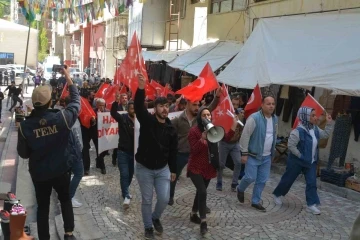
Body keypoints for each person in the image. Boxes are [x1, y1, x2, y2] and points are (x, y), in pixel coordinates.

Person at [17, 66, 79, 240]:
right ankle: (69, 233)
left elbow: (23, 154)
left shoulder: (25, 126)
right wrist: (68, 77)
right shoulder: (62, 118)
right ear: (49, 102)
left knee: (42, 207)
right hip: (61, 169)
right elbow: (76, 102)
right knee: (65, 199)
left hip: (40, 173)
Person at [134, 74, 178, 239]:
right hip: (144, 168)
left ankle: (155, 217)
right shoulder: (147, 121)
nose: (165, 109)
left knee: (164, 198)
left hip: (162, 169)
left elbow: (173, 151)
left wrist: (173, 170)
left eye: (167, 106)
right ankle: (148, 227)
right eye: (161, 106)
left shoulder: (171, 129)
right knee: (147, 200)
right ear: (155, 109)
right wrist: (140, 88)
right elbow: (138, 106)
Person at [272, 107, 333, 215]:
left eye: (315, 115)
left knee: (312, 182)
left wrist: (329, 123)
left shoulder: (315, 129)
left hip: (311, 162)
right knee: (288, 180)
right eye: (313, 115)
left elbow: (324, 135)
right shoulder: (298, 131)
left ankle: (311, 205)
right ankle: (277, 194)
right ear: (305, 117)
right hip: (297, 161)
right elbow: (291, 146)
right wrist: (301, 156)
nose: (316, 118)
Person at [187, 107, 238, 235]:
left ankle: (193, 214)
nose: (207, 117)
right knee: (203, 192)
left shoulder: (213, 129)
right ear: (200, 117)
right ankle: (203, 223)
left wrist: (233, 126)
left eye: (209, 115)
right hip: (196, 167)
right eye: (204, 115)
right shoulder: (194, 131)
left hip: (209, 167)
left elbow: (225, 138)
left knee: (200, 192)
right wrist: (202, 139)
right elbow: (193, 150)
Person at [168, 89, 221, 206]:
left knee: (202, 180)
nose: (197, 107)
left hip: (197, 153)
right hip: (182, 152)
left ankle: (201, 204)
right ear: (187, 104)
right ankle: (170, 196)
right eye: (194, 105)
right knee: (174, 175)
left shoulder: (200, 118)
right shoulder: (178, 120)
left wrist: (216, 97)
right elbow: (171, 137)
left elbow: (210, 108)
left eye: (198, 105)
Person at [236, 95, 278, 212]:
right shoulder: (254, 118)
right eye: (268, 103)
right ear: (262, 105)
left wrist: (272, 153)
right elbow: (245, 135)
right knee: (250, 177)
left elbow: (274, 135)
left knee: (262, 180)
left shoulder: (275, 119)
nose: (271, 106)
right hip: (253, 155)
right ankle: (240, 188)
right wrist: (244, 153)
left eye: (273, 104)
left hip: (267, 156)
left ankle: (255, 201)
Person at [110, 93, 135, 209]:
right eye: (131, 108)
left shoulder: (139, 121)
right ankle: (126, 195)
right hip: (122, 152)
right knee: (124, 174)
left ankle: (125, 190)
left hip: (134, 154)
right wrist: (116, 102)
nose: (133, 110)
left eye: (134, 108)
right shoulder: (123, 118)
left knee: (130, 175)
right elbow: (113, 113)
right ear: (128, 109)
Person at [216, 103, 244, 192]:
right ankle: (219, 182)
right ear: (237, 113)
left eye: (244, 113)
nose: (243, 114)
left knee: (238, 162)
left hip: (235, 144)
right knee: (221, 164)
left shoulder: (242, 122)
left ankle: (234, 183)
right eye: (241, 112)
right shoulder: (229, 119)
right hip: (224, 143)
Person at [64, 96, 84, 208]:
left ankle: (68, 196)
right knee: (79, 173)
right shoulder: (68, 118)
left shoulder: (73, 116)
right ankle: (69, 198)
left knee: (71, 175)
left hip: (75, 150)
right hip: (73, 152)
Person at [111, 93, 129, 166]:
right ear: (120, 99)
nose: (124, 99)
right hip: (118, 127)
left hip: (128, 128)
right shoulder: (117, 107)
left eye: (125, 98)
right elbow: (113, 113)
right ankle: (114, 158)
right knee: (117, 144)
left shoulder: (129, 107)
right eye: (123, 98)